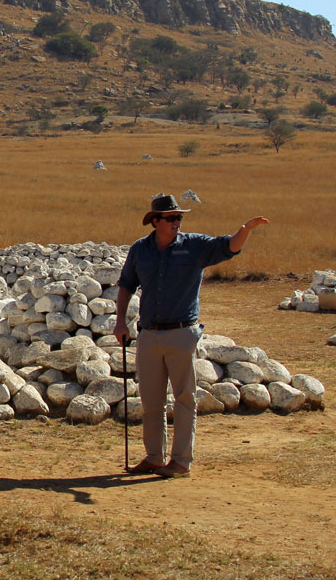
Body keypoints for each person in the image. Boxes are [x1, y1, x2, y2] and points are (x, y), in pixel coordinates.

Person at [114, 193, 269, 479]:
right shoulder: (140, 250)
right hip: (149, 334)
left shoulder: (195, 245)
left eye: (179, 218)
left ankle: (181, 461)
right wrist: (120, 321)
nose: (177, 222)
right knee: (151, 400)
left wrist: (245, 230)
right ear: (156, 221)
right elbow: (126, 285)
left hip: (182, 333)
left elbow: (228, 247)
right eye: (172, 218)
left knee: (184, 398)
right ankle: (154, 457)